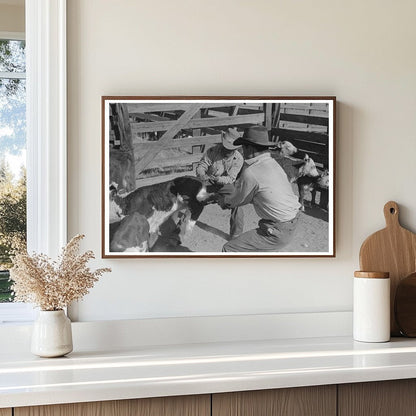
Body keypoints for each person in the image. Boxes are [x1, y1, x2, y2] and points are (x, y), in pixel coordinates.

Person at [219, 125, 301, 252]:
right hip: (292, 222)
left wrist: (223, 201)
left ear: (250, 148)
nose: (242, 151)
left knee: (229, 248)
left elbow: (237, 200)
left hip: (277, 230)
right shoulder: (274, 164)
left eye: (244, 147)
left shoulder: (251, 171)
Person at [196, 128, 244, 238]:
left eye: (231, 149)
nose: (228, 151)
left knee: (238, 203)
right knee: (194, 202)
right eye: (226, 147)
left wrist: (218, 179)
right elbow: (201, 166)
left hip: (224, 185)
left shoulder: (238, 159)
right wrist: (202, 175)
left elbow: (231, 178)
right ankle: (178, 234)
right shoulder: (212, 151)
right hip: (207, 183)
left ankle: (235, 235)